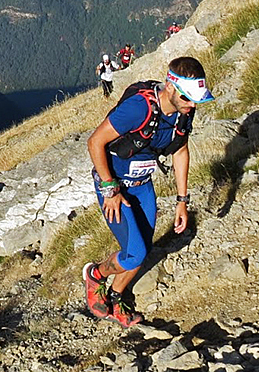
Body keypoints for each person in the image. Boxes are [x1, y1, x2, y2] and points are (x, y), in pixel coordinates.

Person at [82, 56, 214, 327]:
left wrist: (182, 200)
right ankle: (96, 274)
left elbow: (180, 150)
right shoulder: (138, 109)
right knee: (136, 253)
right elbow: (95, 142)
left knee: (142, 246)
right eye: (188, 98)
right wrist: (110, 189)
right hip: (115, 187)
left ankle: (116, 296)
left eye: (196, 100)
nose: (192, 106)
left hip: (142, 185)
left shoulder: (183, 113)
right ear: (170, 86)